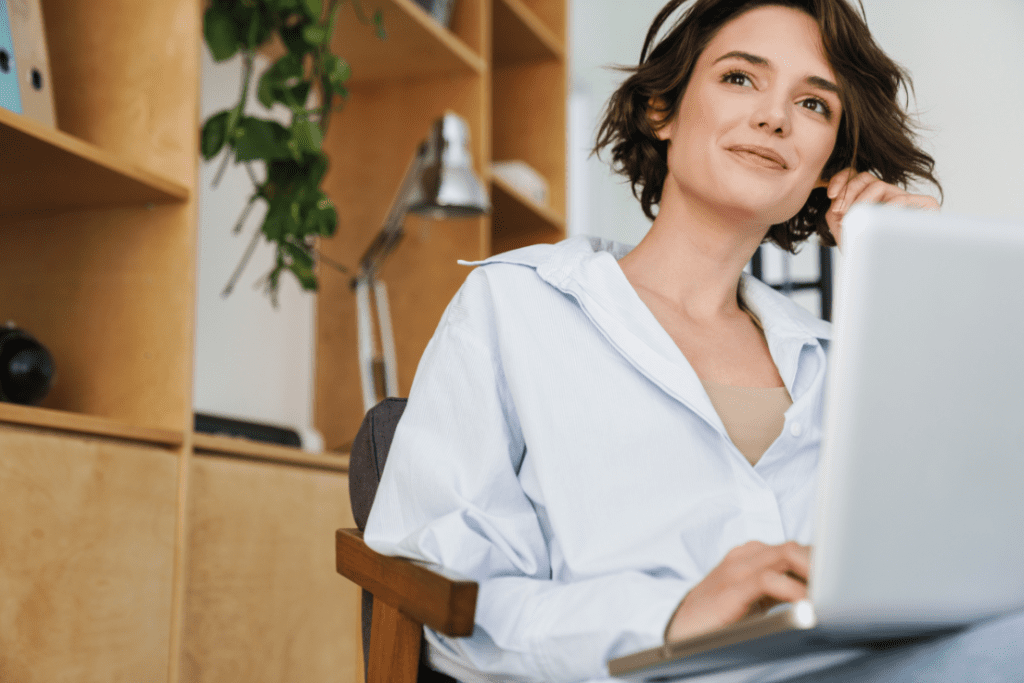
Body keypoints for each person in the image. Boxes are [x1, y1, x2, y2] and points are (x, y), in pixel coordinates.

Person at [363, 1, 1022, 681]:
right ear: (662, 110)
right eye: (741, 78)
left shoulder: (846, 362)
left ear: (831, 164)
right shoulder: (516, 308)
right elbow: (449, 603)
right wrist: (671, 613)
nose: (775, 117)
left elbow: (968, 560)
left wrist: (911, 286)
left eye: (815, 105)